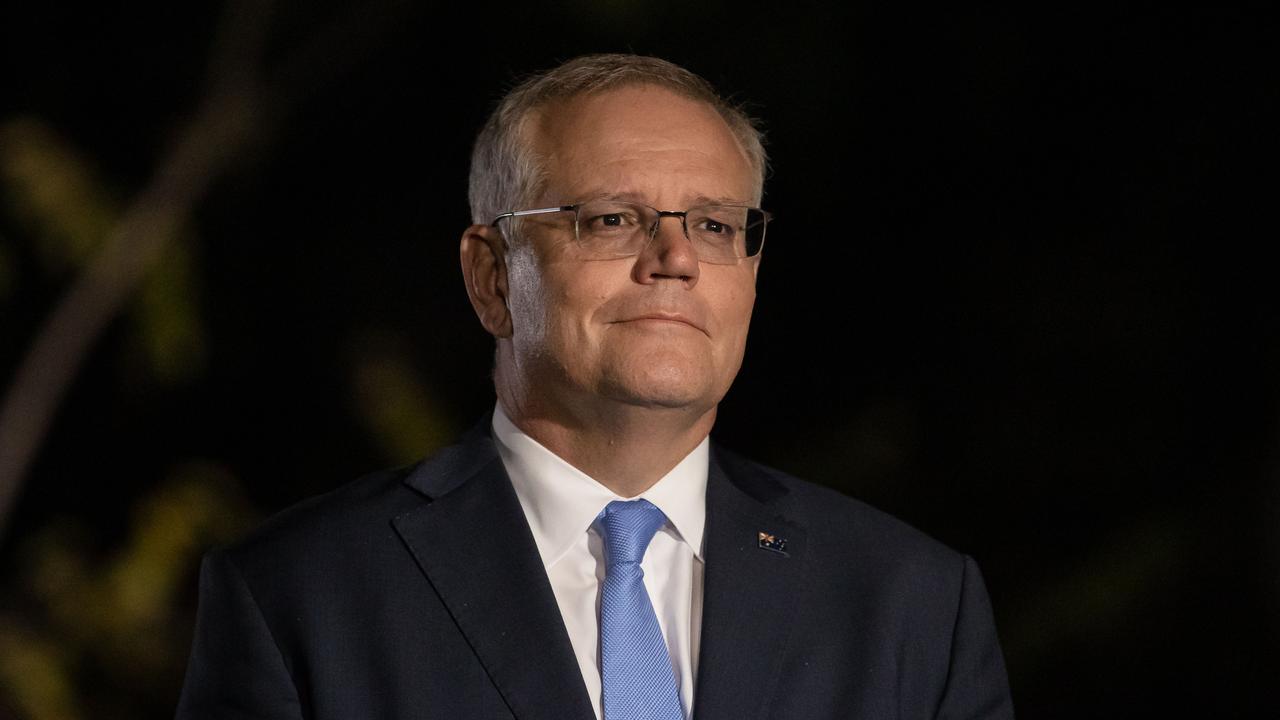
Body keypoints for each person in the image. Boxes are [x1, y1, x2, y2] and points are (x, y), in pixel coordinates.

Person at [176, 53, 1014, 720]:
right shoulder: (301, 596)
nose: (676, 258)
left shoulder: (910, 604)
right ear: (492, 276)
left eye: (716, 226)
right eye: (613, 219)